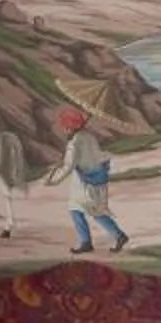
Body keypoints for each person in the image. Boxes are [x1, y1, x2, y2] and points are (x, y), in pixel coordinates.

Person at [45, 104, 129, 254]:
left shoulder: (74, 144)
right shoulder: (89, 137)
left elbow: (68, 167)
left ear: (69, 128)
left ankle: (86, 242)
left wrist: (53, 181)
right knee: (96, 211)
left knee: (76, 209)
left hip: (85, 183)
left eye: (65, 127)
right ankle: (118, 235)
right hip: (99, 179)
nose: (64, 130)